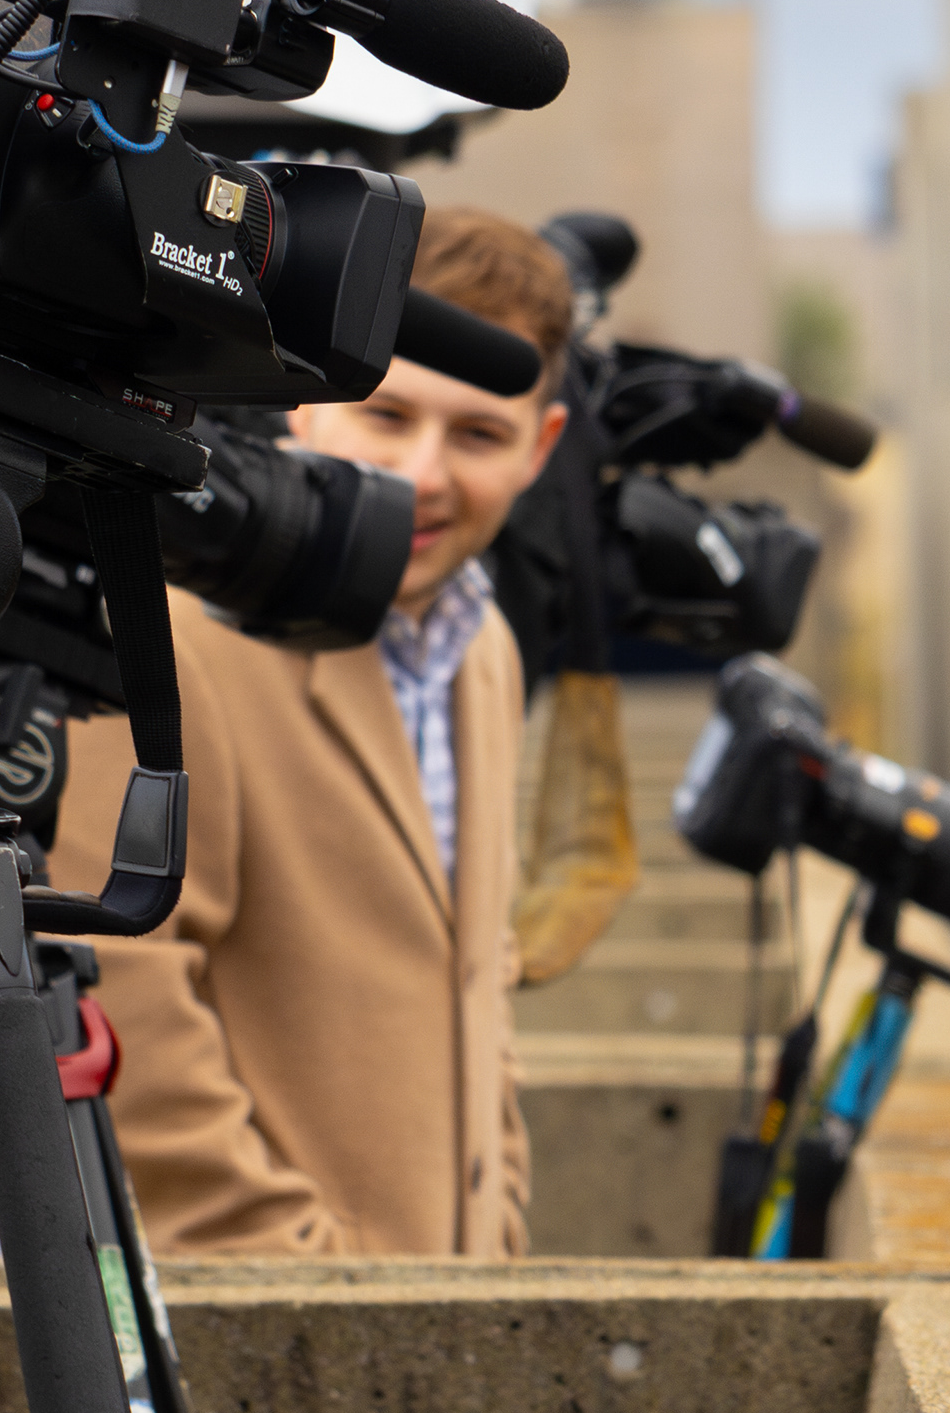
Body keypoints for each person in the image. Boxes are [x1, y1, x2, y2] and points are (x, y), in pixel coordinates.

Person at [44, 207, 571, 1256]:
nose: (425, 473)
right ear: (305, 400)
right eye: (389, 418)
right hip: (256, 1331)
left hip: (441, 1319)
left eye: (478, 435)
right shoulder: (177, 630)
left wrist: (497, 1241)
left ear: (541, 448)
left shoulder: (487, 647)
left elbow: (481, 980)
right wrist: (300, 1269)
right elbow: (115, 986)